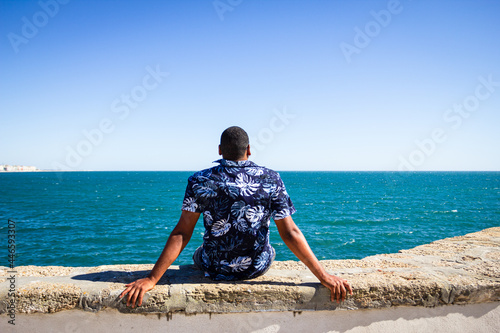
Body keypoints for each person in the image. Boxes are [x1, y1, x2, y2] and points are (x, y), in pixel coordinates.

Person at [120, 126, 352, 307]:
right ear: (249, 149)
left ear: (219, 150)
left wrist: (151, 279)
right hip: (257, 266)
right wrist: (323, 275)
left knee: (197, 253)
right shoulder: (271, 178)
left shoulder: (199, 180)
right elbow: (290, 232)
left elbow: (182, 233)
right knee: (270, 248)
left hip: (215, 268)